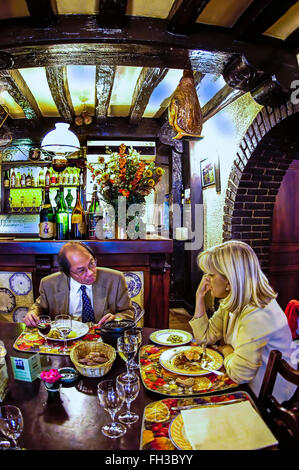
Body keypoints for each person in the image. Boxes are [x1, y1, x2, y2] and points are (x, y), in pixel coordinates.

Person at [190, 240, 296, 403]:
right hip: (247, 386)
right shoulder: (234, 300)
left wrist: (226, 349)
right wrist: (199, 298)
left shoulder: (257, 314)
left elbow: (240, 374)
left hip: (265, 398)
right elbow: (204, 337)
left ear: (229, 280)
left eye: (210, 274)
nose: (205, 280)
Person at [24, 242, 134, 328]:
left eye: (92, 263)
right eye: (81, 270)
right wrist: (32, 314)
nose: (91, 272)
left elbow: (128, 312)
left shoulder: (115, 279)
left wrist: (116, 319)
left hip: (102, 340)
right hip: (66, 340)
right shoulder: (49, 283)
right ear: (67, 272)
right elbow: (39, 306)